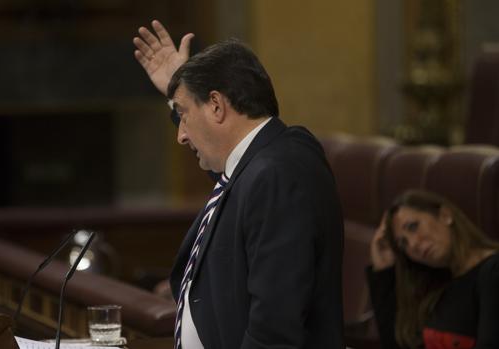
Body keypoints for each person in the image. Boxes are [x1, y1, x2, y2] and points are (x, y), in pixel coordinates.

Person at [133, 20, 344, 349]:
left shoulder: (278, 172)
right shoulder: (263, 164)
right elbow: (234, 181)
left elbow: (273, 328)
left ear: (216, 105)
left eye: (184, 115)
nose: (181, 135)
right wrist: (182, 91)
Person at [368, 190, 499, 349]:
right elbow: (397, 344)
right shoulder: (436, 284)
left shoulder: (492, 271)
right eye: (403, 243)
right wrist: (383, 270)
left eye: (413, 226)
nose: (413, 245)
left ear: (445, 215)